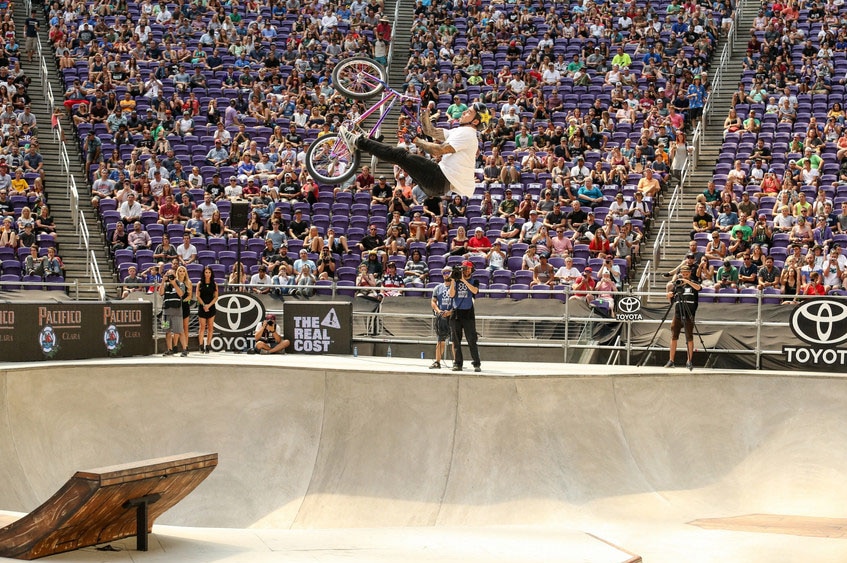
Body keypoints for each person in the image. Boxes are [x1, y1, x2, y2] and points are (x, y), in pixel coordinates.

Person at [338, 103, 491, 197]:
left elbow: (439, 150)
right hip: (437, 186)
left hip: (439, 177)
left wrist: (417, 140)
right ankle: (369, 143)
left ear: (475, 121)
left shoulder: (467, 134)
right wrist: (424, 115)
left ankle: (357, 141)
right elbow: (431, 131)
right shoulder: (461, 131)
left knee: (400, 154)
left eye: (469, 112)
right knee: (398, 158)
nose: (464, 112)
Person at [665, 265, 701, 370]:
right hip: (677, 313)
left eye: (687, 273)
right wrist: (669, 295)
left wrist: (688, 282)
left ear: (690, 273)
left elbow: (699, 288)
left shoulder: (694, 283)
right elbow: (673, 297)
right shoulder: (677, 284)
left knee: (689, 337)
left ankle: (689, 361)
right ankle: (671, 360)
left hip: (689, 313)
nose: (685, 275)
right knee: (673, 335)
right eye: (683, 274)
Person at [448, 260, 481, 372]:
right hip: (456, 312)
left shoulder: (474, 280)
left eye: (468, 268)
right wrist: (453, 280)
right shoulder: (456, 281)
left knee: (471, 339)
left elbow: (475, 291)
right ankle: (458, 363)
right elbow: (451, 294)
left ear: (472, 269)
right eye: (464, 268)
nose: (466, 270)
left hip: (468, 313)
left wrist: (463, 280)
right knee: (456, 340)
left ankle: (476, 362)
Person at [160, 266, 189, 356]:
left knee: (180, 331)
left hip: (177, 312)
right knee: (167, 331)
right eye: (169, 275)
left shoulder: (180, 284)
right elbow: (160, 293)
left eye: (172, 275)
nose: (170, 277)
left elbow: (181, 293)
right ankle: (169, 349)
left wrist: (174, 283)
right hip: (166, 312)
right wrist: (163, 281)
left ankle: (184, 349)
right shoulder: (165, 285)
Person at [430, 265, 455, 369]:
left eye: (448, 272)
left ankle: (456, 362)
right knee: (441, 340)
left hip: (453, 316)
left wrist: (451, 312)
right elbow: (433, 301)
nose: (446, 274)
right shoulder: (438, 288)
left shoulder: (456, 287)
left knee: (455, 341)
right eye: (444, 272)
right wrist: (438, 311)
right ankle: (437, 361)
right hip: (442, 316)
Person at [196, 266, 218, 354]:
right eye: (206, 272)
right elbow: (197, 296)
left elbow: (216, 297)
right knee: (202, 327)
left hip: (211, 306)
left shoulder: (214, 284)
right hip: (202, 306)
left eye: (209, 272)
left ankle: (208, 345)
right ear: (203, 273)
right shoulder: (200, 283)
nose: (208, 274)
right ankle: (201, 345)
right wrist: (204, 305)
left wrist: (209, 305)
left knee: (210, 327)